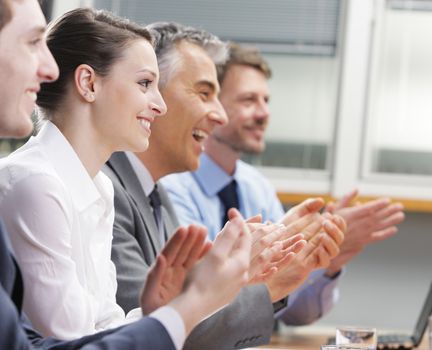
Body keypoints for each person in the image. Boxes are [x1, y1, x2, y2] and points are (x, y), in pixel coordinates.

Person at [0, 1, 251, 349]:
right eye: (145, 83)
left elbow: (106, 324)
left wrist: (166, 308)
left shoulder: (99, 186)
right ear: (88, 83)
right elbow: (71, 337)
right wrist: (187, 304)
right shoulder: (35, 184)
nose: (159, 105)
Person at [104, 21, 345, 349]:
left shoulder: (155, 194)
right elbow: (157, 331)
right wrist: (263, 282)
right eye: (204, 94)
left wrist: (277, 255)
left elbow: (181, 311)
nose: (218, 116)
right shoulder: (110, 192)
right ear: (152, 96)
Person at [163, 43, 406, 324]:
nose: (264, 113)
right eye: (248, 100)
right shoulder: (173, 187)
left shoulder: (257, 187)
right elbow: (200, 305)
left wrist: (327, 259)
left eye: (266, 100)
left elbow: (291, 313)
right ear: (212, 103)